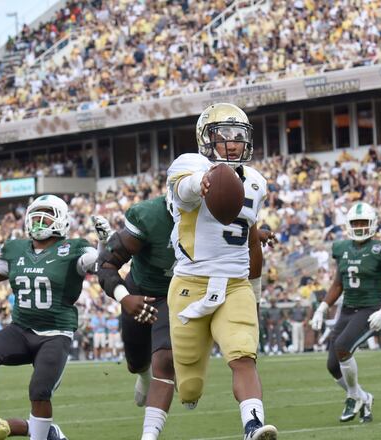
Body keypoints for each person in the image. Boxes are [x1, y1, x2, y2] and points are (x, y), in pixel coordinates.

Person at [165, 103, 277, 439]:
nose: (231, 142)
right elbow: (182, 190)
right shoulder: (190, 165)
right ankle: (189, 390)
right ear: (205, 139)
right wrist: (201, 182)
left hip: (234, 284)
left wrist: (255, 287)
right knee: (189, 387)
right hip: (190, 283)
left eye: (238, 136)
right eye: (222, 135)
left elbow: (251, 238)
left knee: (243, 355)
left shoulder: (256, 182)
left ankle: (253, 424)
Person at [0, 195, 109, 440]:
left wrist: (104, 243)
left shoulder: (73, 248)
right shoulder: (15, 248)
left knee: (39, 390)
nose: (40, 220)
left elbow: (98, 263)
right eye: (36, 214)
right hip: (21, 329)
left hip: (55, 333)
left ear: (61, 220)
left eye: (47, 214)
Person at [311, 202, 381, 423]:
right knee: (333, 365)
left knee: (343, 347)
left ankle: (353, 397)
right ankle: (364, 397)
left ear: (373, 224)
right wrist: (322, 308)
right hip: (347, 310)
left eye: (364, 222)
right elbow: (337, 285)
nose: (360, 226)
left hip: (369, 310)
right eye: (356, 223)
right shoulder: (342, 248)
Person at [96, 195, 176, 440]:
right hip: (139, 291)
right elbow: (106, 263)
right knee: (135, 363)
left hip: (176, 294)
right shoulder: (150, 216)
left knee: (165, 359)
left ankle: (149, 436)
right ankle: (143, 375)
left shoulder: (210, 214)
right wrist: (124, 297)